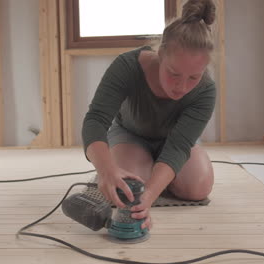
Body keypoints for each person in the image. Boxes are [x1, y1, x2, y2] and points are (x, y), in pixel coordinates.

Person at [82, 0, 217, 230]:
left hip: (175, 140)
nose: (182, 87)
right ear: (160, 53)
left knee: (198, 188)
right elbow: (96, 119)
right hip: (131, 134)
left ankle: (157, 171)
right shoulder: (126, 66)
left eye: (193, 77)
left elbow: (177, 147)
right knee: (129, 187)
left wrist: (150, 195)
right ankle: (137, 167)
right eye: (174, 74)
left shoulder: (205, 90)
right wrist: (106, 170)